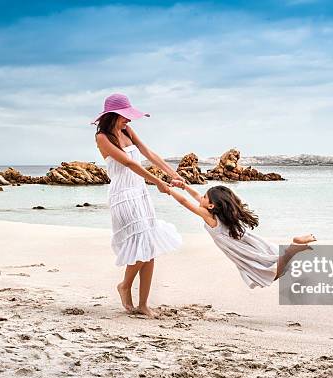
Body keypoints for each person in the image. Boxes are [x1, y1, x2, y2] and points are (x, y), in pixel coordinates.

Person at [94, 93, 182, 318]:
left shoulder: (126, 131)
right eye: (125, 116)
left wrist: (173, 175)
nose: (129, 121)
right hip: (123, 196)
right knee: (142, 244)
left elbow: (148, 154)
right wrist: (159, 182)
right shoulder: (103, 137)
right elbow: (129, 163)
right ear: (113, 115)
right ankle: (125, 285)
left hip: (140, 193)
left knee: (150, 247)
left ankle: (143, 304)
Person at [168, 181, 316, 288]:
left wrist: (169, 190)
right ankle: (292, 249)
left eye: (205, 197)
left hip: (239, 250)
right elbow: (196, 197)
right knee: (272, 267)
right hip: (245, 242)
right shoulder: (220, 214)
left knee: (270, 274)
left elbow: (184, 202)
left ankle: (292, 249)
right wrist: (184, 186)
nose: (201, 198)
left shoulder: (209, 216)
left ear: (212, 205)